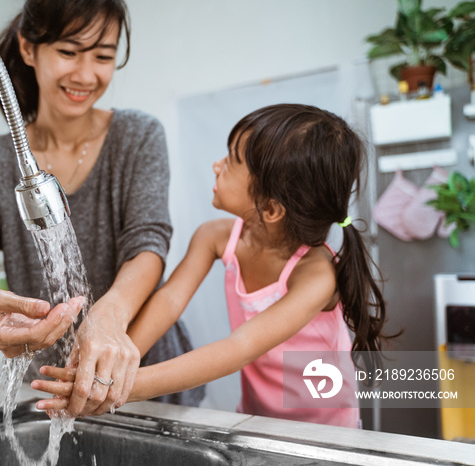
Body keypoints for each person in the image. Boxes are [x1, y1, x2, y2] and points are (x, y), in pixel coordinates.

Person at [32, 104, 395, 428]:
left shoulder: (316, 274)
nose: (216, 165)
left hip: (327, 430)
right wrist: (111, 368)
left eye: (232, 160)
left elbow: (241, 346)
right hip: (259, 420)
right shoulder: (216, 236)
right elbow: (170, 301)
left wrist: (122, 388)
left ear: (270, 208)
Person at [0, 0, 204, 417]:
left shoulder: (138, 137)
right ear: (28, 48)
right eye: (69, 51)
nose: (86, 74)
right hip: (53, 390)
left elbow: (147, 245)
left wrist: (108, 316)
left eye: (103, 56)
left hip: (149, 381)